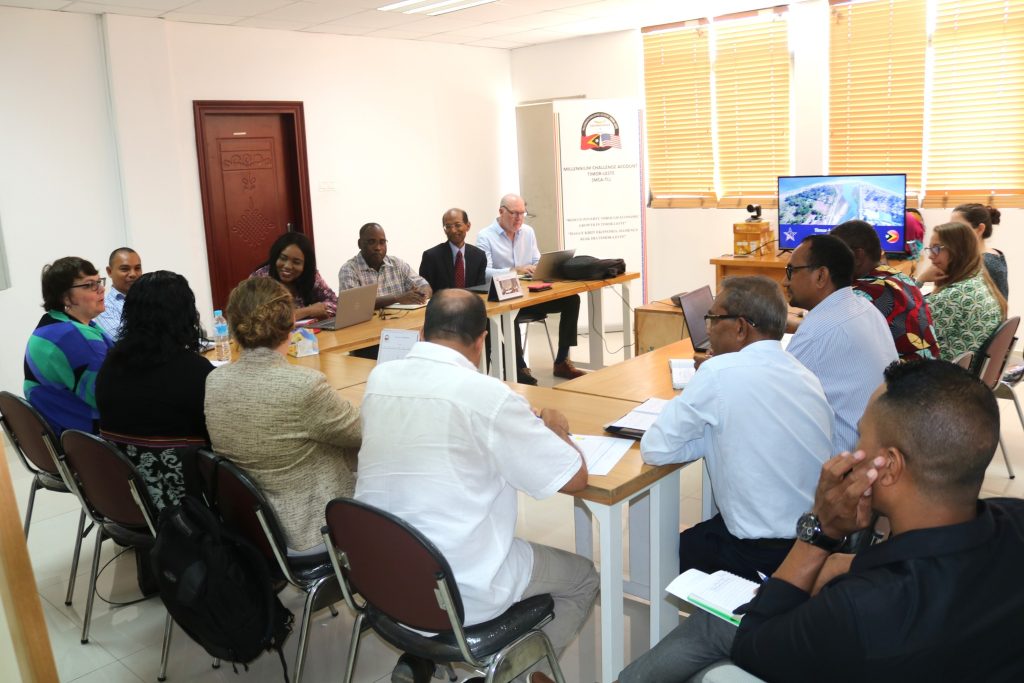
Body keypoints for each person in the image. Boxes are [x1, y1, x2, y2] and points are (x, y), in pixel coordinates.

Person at [620, 360, 1024, 683]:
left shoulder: (858, 609)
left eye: (861, 438)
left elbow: (754, 644)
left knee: (714, 631)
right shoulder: (1014, 520)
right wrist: (850, 561)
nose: (852, 450)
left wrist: (820, 532)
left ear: (888, 467)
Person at [355, 289, 599, 675]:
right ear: (482, 340)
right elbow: (575, 477)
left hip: (384, 579)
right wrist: (555, 427)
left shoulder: (379, 378)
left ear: (422, 333)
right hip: (457, 588)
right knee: (584, 578)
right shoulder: (489, 397)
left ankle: (425, 658)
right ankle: (518, 675)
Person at [641, 276, 834, 582]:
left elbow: (655, 448)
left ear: (741, 327)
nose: (708, 330)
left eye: (713, 319)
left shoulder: (718, 372)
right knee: (705, 531)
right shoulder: (804, 374)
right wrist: (712, 436)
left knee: (668, 551)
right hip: (812, 540)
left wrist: (704, 433)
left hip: (762, 553)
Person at [204, 278, 361, 552]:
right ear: (290, 323)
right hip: (310, 528)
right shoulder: (304, 386)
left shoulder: (214, 380)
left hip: (249, 524)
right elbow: (362, 432)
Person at [96, 271, 214, 511]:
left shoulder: (109, 365)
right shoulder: (196, 371)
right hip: (191, 500)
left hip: (126, 496)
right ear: (185, 314)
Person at [785, 235, 898, 453]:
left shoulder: (816, 333)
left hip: (845, 462)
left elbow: (773, 396)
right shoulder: (865, 307)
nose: (785, 281)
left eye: (791, 271)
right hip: (881, 445)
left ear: (821, 276)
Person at [476, 193, 585, 385]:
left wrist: (539, 268)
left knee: (572, 300)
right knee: (511, 314)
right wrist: (513, 270)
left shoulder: (528, 232)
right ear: (501, 211)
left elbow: (536, 260)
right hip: (506, 298)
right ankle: (519, 368)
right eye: (514, 213)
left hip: (529, 294)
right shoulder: (485, 236)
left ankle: (562, 361)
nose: (519, 218)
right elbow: (484, 272)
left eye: (522, 213)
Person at [24, 257, 113, 435]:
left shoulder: (54, 322)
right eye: (90, 285)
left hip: (63, 427)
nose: (101, 289)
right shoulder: (73, 337)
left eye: (99, 281)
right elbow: (112, 399)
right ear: (65, 297)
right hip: (88, 438)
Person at [830, 220, 939, 361]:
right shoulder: (900, 277)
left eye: (834, 256)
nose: (828, 263)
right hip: (931, 370)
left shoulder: (859, 296)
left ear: (857, 256)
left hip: (904, 374)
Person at [925, 221, 1006, 362]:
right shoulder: (979, 279)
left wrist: (919, 281)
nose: (930, 256)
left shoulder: (951, 297)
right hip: (968, 371)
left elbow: (910, 333)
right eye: (930, 249)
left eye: (936, 249)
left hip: (947, 373)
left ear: (957, 252)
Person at [338, 222, 431, 309]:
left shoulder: (397, 264)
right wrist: (397, 298)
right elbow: (352, 304)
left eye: (382, 242)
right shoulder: (349, 269)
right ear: (360, 244)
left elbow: (424, 285)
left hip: (400, 319)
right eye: (371, 242)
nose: (378, 247)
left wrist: (421, 294)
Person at [250, 232, 338, 321]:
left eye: (296, 262)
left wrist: (320, 310)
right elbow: (262, 318)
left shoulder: (311, 275)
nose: (287, 266)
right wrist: (309, 311)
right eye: (283, 258)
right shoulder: (260, 278)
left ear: (305, 265)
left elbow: (335, 303)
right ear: (275, 257)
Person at [418, 208, 487, 292]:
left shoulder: (479, 256)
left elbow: (480, 291)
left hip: (471, 300)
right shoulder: (431, 256)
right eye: (448, 226)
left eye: (457, 225)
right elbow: (425, 291)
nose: (453, 230)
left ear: (468, 226)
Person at [952, 203, 1008, 299]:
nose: (951, 232)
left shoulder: (985, 261)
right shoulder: (992, 255)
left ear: (980, 229)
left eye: (958, 227)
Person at [95, 247, 143, 340]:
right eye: (125, 269)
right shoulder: (104, 307)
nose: (133, 274)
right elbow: (125, 341)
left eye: (137, 268)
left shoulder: (152, 298)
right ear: (109, 271)